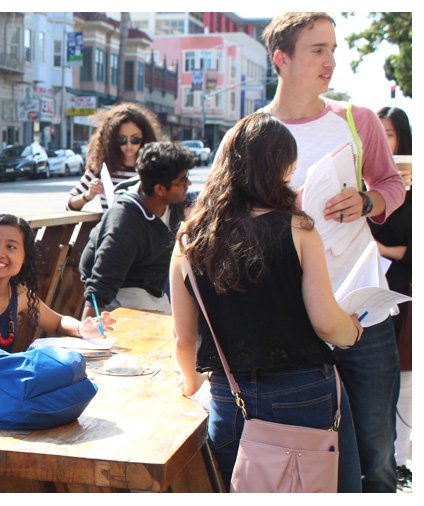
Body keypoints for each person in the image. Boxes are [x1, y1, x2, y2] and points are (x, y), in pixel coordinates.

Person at [170, 112, 362, 492]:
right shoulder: (298, 228)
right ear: (280, 169)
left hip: (230, 397)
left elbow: (184, 340)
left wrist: (191, 382)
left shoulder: (188, 239)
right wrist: (353, 330)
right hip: (303, 392)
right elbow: (327, 323)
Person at [260, 12, 406, 492]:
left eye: (334, 49)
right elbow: (221, 221)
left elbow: (390, 183)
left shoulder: (356, 119)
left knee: (378, 458)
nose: (331, 61)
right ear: (282, 59)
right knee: (313, 461)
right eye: (318, 49)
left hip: (364, 312)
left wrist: (369, 201)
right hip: (290, 320)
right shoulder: (249, 135)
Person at [0, 214, 111, 361]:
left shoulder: (19, 294)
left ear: (25, 257)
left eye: (11, 246)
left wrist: (82, 328)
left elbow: (58, 322)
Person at [79, 141, 193, 316]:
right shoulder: (125, 224)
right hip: (122, 295)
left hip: (153, 290)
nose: (189, 184)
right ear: (160, 189)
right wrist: (89, 334)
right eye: (183, 180)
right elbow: (100, 287)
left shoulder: (173, 202)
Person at [371, 105, 412, 489]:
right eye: (377, 133)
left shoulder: (413, 189)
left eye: (391, 134)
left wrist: (385, 251)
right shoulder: (362, 185)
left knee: (402, 384)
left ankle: (401, 463)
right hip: (365, 301)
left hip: (402, 296)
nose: (383, 141)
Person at [65, 103, 160, 212]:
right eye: (122, 140)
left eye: (135, 140)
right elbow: (69, 204)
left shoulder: (153, 169)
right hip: (112, 228)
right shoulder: (100, 168)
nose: (129, 145)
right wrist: (88, 195)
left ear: (144, 139)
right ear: (112, 139)